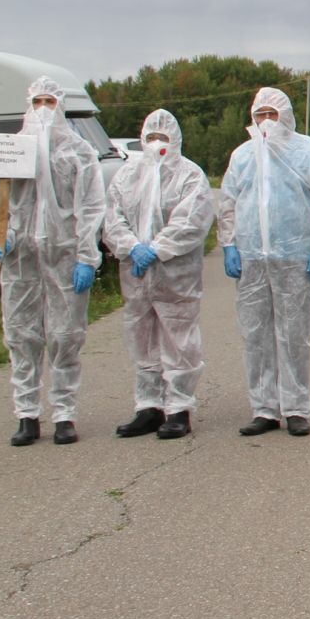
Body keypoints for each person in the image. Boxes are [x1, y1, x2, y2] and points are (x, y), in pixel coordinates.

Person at [0, 75, 107, 446]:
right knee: (22, 335)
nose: (43, 110)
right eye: (37, 102)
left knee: (65, 336)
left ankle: (64, 415)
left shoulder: (79, 152)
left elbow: (91, 206)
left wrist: (87, 255)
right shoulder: (11, 149)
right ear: (28, 105)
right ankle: (27, 415)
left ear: (61, 106)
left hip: (65, 254)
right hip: (21, 259)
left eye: (50, 102)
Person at [217, 86, 310, 438]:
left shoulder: (309, 152)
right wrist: (228, 244)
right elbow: (228, 202)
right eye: (260, 115)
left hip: (295, 257)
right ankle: (264, 409)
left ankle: (295, 408)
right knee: (255, 335)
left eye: (272, 115)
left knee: (294, 335)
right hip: (251, 258)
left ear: (286, 117)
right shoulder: (243, 155)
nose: (266, 122)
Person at [102, 109, 215, 441]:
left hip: (174, 274)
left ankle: (179, 408)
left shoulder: (189, 176)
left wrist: (158, 248)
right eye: (151, 137)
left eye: (162, 138)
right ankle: (148, 407)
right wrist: (131, 246)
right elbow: (113, 216)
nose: (156, 144)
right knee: (141, 339)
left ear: (175, 140)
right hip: (136, 274)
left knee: (179, 340)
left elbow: (191, 221)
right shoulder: (127, 175)